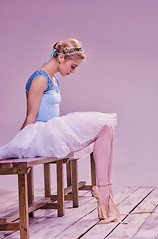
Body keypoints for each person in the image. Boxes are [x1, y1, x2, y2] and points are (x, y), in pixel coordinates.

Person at [0, 38, 122, 224]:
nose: (72, 71)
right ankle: (104, 194)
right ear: (61, 58)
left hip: (53, 131)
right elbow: (31, 117)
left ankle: (105, 190)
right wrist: (17, 145)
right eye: (72, 66)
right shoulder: (40, 79)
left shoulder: (53, 79)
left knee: (107, 128)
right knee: (104, 128)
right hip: (43, 133)